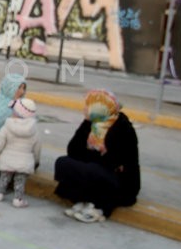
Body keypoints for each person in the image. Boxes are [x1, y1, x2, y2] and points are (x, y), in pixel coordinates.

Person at [53, 89, 141, 223]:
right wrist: (86, 124)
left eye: (89, 106)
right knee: (63, 162)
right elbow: (73, 150)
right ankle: (85, 201)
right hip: (98, 171)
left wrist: (90, 156)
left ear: (99, 108)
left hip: (120, 182)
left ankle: (98, 208)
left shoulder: (123, 129)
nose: (85, 109)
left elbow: (112, 162)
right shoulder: (93, 124)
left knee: (90, 170)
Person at [0, 97, 42, 208]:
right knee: (20, 182)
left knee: (4, 178)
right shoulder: (34, 130)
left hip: (7, 159)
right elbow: (37, 147)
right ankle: (18, 199)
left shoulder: (7, 126)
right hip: (24, 162)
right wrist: (36, 161)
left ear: (17, 113)